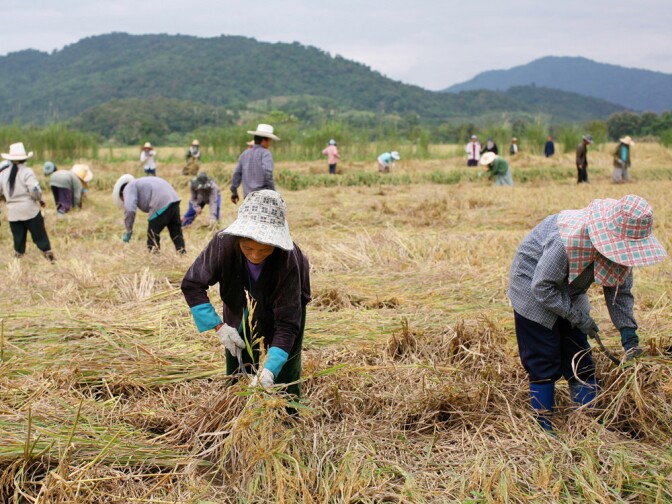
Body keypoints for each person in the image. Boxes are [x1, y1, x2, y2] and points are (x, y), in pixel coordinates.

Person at [507, 194, 667, 431]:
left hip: (571, 289)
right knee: (544, 356)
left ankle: (589, 417)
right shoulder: (566, 241)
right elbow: (542, 287)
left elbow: (619, 292)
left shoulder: (622, 251)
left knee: (578, 353)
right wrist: (577, 317)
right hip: (534, 285)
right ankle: (543, 423)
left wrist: (629, 336)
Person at [181, 190, 311, 399]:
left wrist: (269, 372)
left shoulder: (288, 261)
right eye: (248, 248)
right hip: (239, 300)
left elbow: (287, 325)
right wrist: (219, 327)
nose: (256, 255)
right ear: (238, 237)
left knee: (284, 368)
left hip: (284, 304)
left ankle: (287, 413)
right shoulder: (223, 244)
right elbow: (192, 284)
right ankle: (238, 403)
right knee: (238, 352)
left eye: (265, 250)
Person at [0, 143, 54, 261]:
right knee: (40, 236)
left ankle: (17, 262)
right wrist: (40, 200)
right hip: (30, 211)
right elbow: (34, 190)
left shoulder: (3, 173)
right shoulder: (27, 171)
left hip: (13, 213)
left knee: (18, 240)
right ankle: (50, 259)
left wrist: (6, 200)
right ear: (24, 158)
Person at [113, 174, 185, 254]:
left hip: (160, 202)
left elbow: (130, 209)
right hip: (174, 200)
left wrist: (129, 230)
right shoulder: (140, 183)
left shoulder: (128, 188)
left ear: (122, 193)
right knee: (176, 232)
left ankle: (154, 258)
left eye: (123, 199)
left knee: (152, 234)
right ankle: (182, 253)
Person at [230, 124, 279, 204]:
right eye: (269, 141)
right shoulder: (266, 154)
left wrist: (234, 191)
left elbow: (237, 174)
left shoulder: (244, 154)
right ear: (263, 141)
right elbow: (268, 174)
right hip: (264, 198)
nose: (269, 144)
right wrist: (274, 193)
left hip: (248, 198)